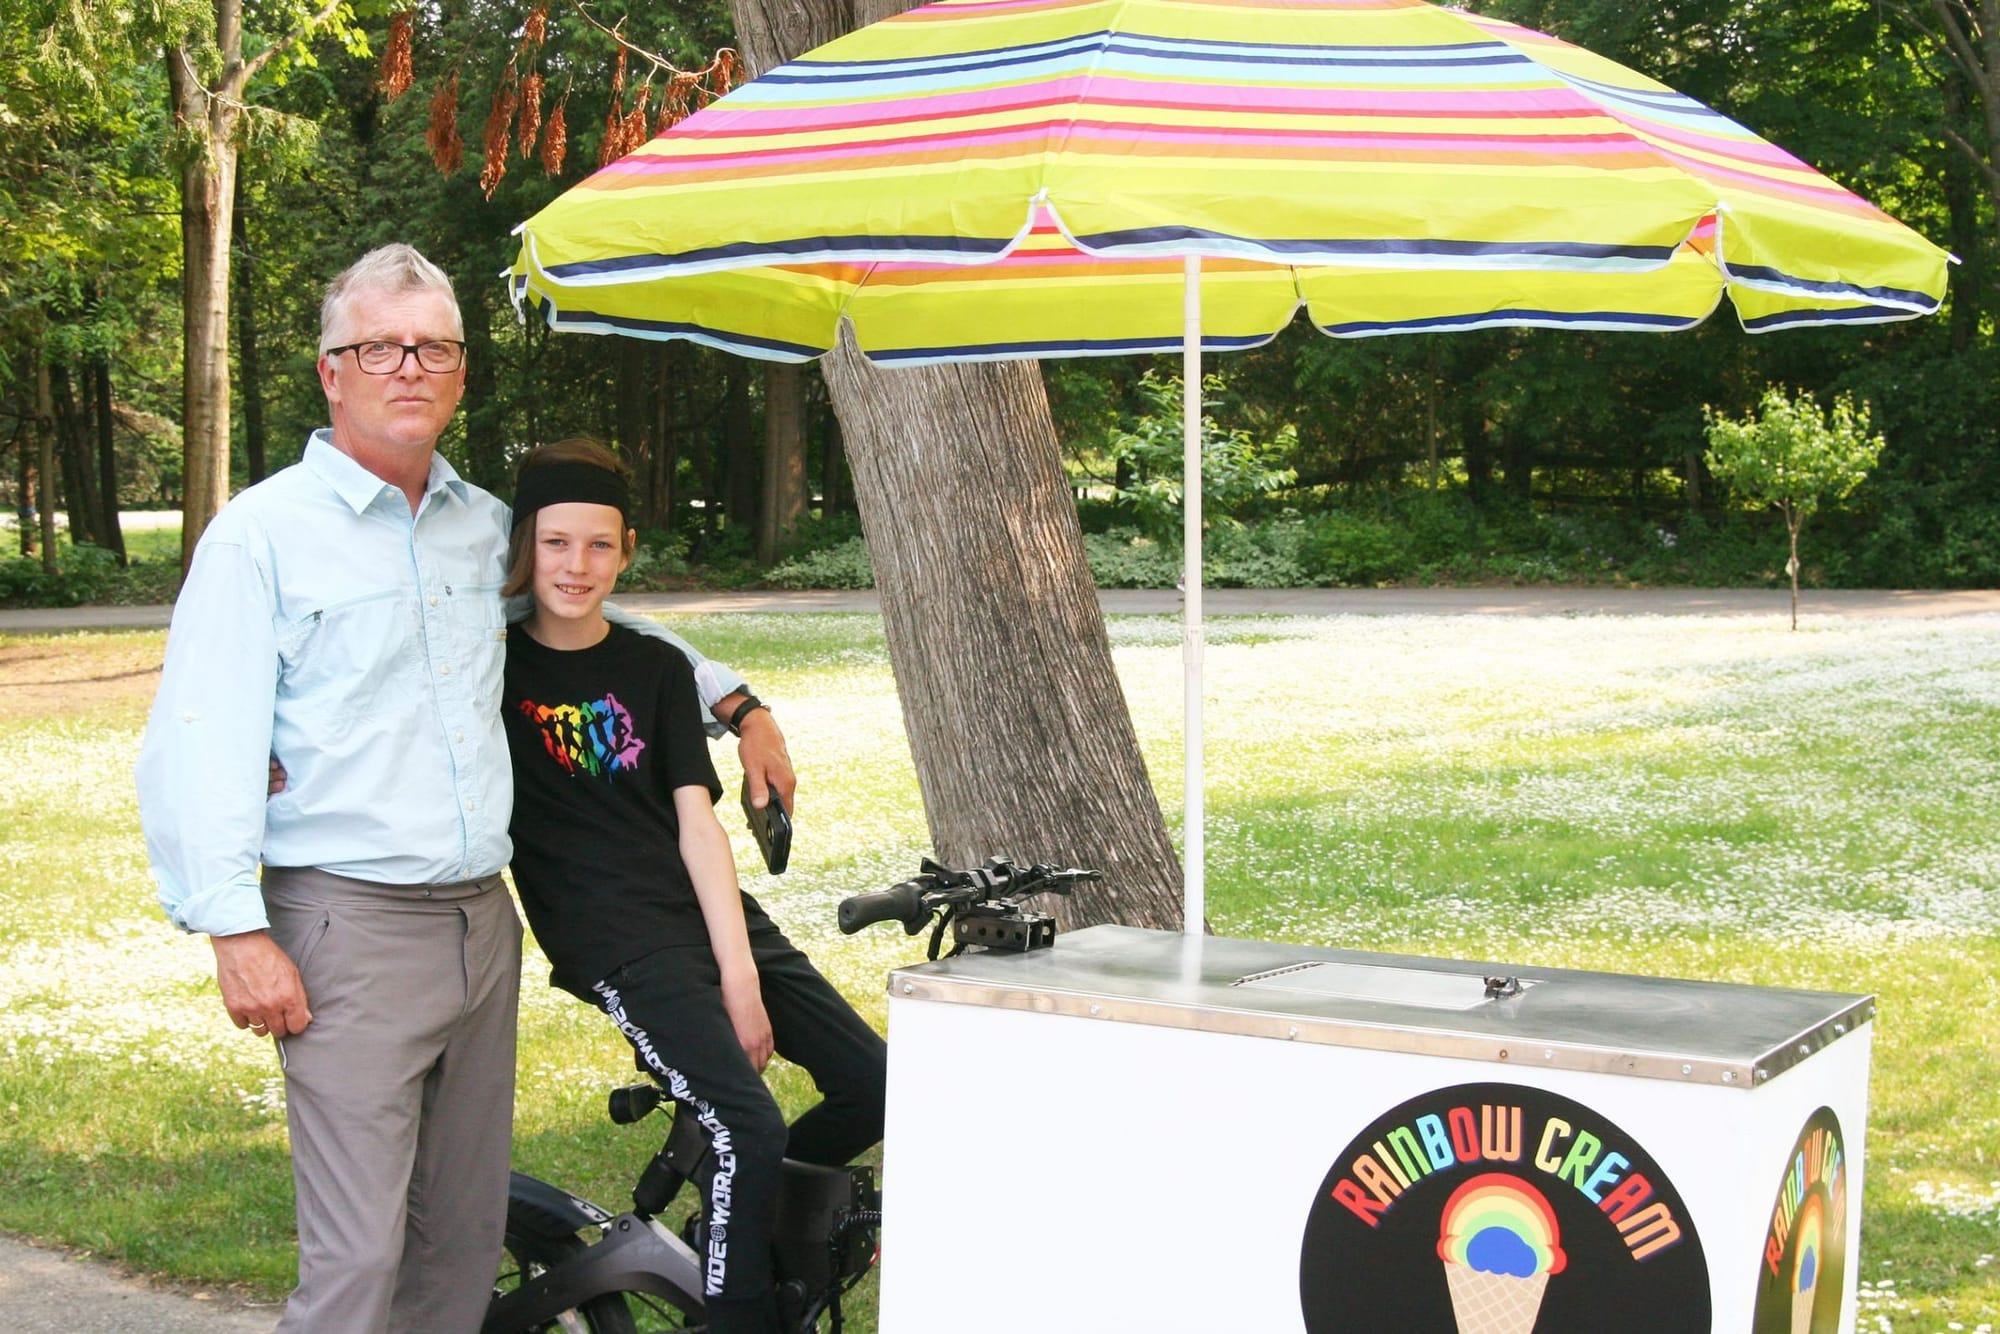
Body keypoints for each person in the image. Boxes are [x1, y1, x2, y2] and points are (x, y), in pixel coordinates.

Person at [135, 244, 794, 1334]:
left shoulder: (484, 526)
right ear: (330, 371)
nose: (408, 365)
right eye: (378, 345)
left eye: (432, 347)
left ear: (458, 374)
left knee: (457, 1238)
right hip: (343, 918)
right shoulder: (263, 537)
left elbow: (590, 623)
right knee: (357, 1255)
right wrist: (230, 924)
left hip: (485, 922)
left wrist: (735, 701)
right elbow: (196, 739)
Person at [500, 439, 887, 1334]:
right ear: (526, 548)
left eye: (599, 546)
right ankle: (736, 1310)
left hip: (709, 913)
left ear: (626, 552)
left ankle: (731, 1212)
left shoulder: (655, 667)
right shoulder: (492, 668)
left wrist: (741, 974)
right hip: (612, 938)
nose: (577, 565)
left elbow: (696, 823)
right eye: (556, 544)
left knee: (873, 1083)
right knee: (746, 1125)